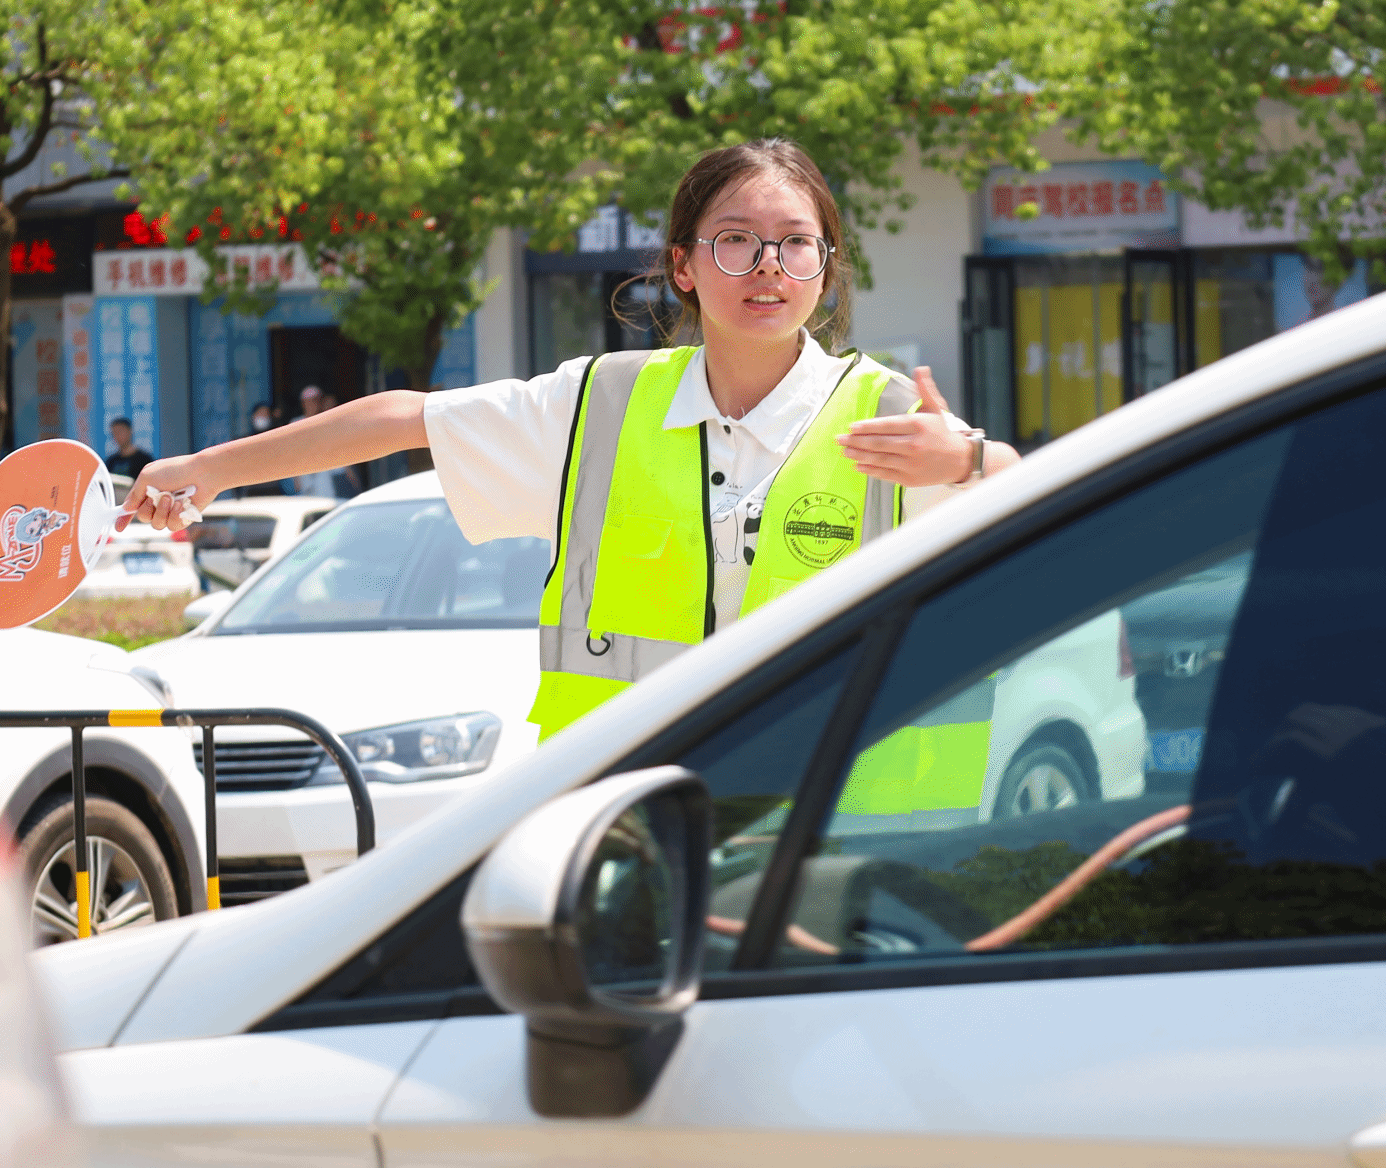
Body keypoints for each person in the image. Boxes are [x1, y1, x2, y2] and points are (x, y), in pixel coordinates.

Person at [125, 138, 1019, 739]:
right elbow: (405, 418)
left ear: (825, 268)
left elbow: (1031, 501)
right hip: (633, 814)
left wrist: (976, 461)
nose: (767, 268)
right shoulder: (600, 405)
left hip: (827, 827)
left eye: (796, 244)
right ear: (682, 265)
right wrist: (209, 469)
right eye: (736, 241)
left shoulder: (888, 414)